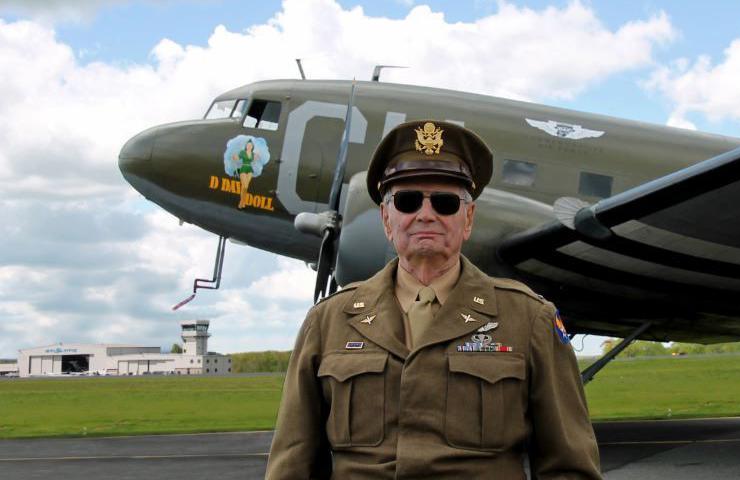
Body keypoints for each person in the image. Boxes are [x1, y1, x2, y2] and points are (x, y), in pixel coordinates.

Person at [265, 120, 602, 479]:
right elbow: (292, 465)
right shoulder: (327, 321)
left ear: (468, 218)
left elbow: (570, 468)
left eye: (445, 202)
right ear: (386, 218)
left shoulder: (529, 319)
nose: (426, 214)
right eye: (408, 201)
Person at [232, 139, 257, 209]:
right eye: (248, 145)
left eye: (251, 145)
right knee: (245, 186)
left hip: (250, 169)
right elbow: (237, 158)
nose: (249, 146)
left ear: (252, 147)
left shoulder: (253, 154)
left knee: (245, 187)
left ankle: (242, 203)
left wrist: (256, 158)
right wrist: (234, 157)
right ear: (246, 146)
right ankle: (241, 203)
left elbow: (254, 161)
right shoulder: (242, 152)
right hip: (243, 168)